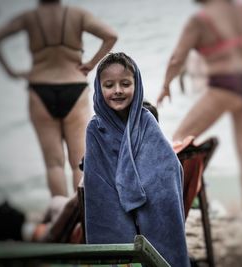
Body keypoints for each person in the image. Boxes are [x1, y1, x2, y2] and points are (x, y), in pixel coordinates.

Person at [157, 0, 242, 208]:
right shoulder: (240, 8)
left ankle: (190, 197)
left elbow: (177, 58)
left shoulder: (198, 20)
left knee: (180, 141)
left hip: (225, 83)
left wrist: (165, 85)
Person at [0, 0, 117, 197]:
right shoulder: (77, 14)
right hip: (74, 85)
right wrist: (91, 64)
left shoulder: (29, 17)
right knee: (79, 162)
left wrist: (11, 72)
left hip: (40, 87)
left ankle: (60, 217)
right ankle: (80, 218)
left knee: (53, 165)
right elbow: (111, 35)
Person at [83, 52, 189, 266]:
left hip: (151, 200)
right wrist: (122, 189)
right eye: (109, 85)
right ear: (98, 87)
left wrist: (142, 188)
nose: (118, 91)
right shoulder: (95, 129)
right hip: (111, 201)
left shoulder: (146, 120)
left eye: (125, 83)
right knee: (110, 222)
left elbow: (167, 166)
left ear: (137, 84)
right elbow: (96, 179)